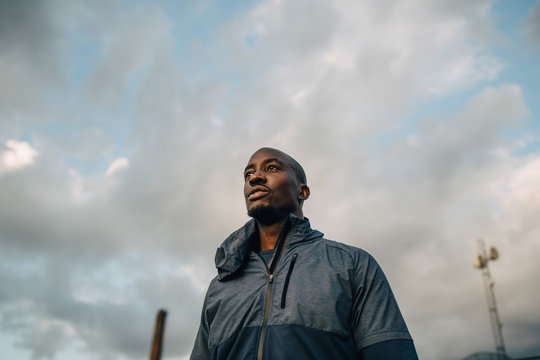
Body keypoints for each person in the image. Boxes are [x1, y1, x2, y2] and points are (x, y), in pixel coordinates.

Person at [190, 147, 418, 360]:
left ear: (302, 191)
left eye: (271, 168)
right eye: (248, 173)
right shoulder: (220, 285)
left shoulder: (353, 264)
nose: (255, 177)